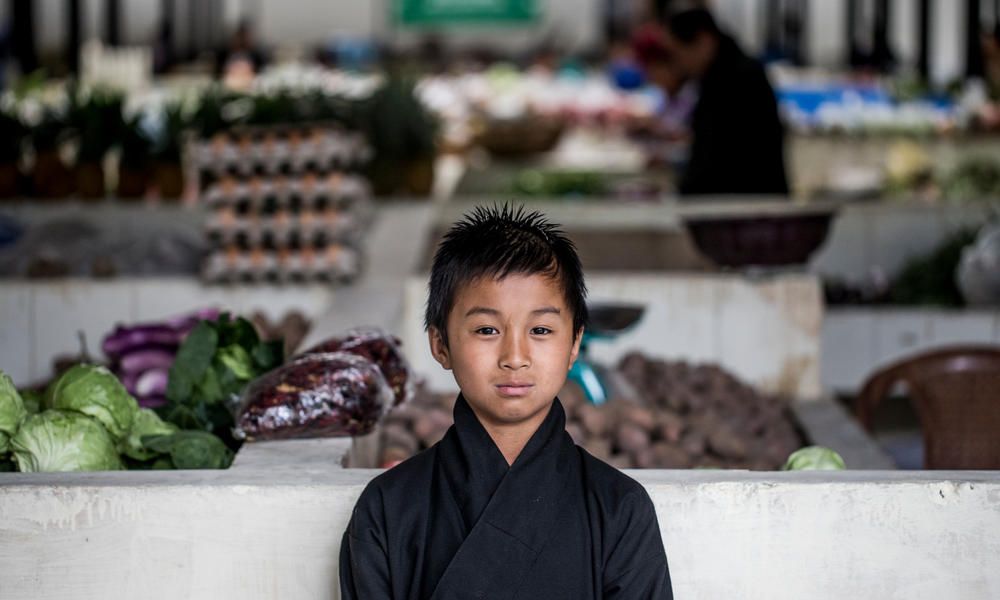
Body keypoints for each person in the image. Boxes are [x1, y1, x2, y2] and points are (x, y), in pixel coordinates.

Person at [340, 205, 672, 599]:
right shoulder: (387, 509)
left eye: (541, 329)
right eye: (486, 329)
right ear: (440, 344)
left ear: (574, 345)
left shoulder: (618, 509)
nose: (515, 356)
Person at [658, 7, 789, 196]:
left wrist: (684, 194)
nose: (678, 63)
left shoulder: (734, 80)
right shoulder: (724, 74)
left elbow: (720, 157)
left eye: (678, 53)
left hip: (744, 206)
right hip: (745, 202)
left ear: (703, 41)